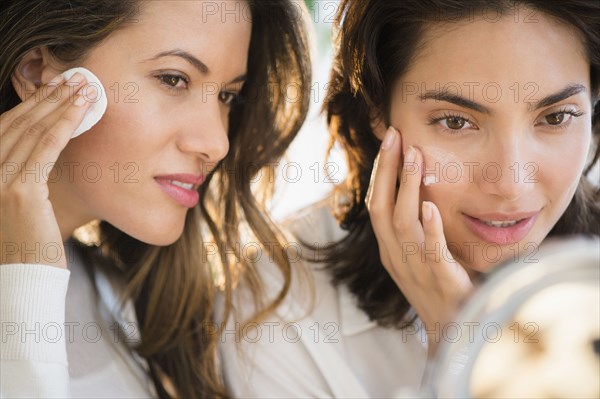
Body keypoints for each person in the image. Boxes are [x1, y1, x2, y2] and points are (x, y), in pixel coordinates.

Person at [220, 0, 600, 397]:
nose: (510, 183)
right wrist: (460, 345)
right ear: (378, 113)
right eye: (456, 122)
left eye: (556, 117)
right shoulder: (275, 309)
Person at [0, 0, 311, 397]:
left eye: (228, 96)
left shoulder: (128, 305)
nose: (217, 144)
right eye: (173, 79)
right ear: (37, 73)